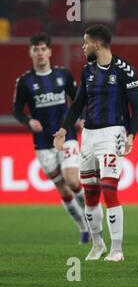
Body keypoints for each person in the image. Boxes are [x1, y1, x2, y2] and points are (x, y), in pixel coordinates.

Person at [53, 25, 138, 262]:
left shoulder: (125, 70)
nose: (83, 47)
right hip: (89, 137)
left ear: (98, 43)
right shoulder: (87, 71)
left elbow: (137, 108)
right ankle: (97, 245)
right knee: (90, 193)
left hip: (113, 134)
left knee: (109, 189)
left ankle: (117, 249)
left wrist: (131, 135)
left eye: (85, 43)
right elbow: (78, 103)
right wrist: (63, 129)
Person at [12, 33, 89, 244]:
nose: (40, 53)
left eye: (43, 49)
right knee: (63, 189)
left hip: (66, 136)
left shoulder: (62, 75)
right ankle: (83, 228)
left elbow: (78, 98)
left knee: (73, 181)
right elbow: (17, 110)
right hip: (43, 143)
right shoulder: (25, 81)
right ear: (31, 53)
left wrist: (81, 118)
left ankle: (91, 216)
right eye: (35, 49)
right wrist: (28, 121)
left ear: (49, 51)